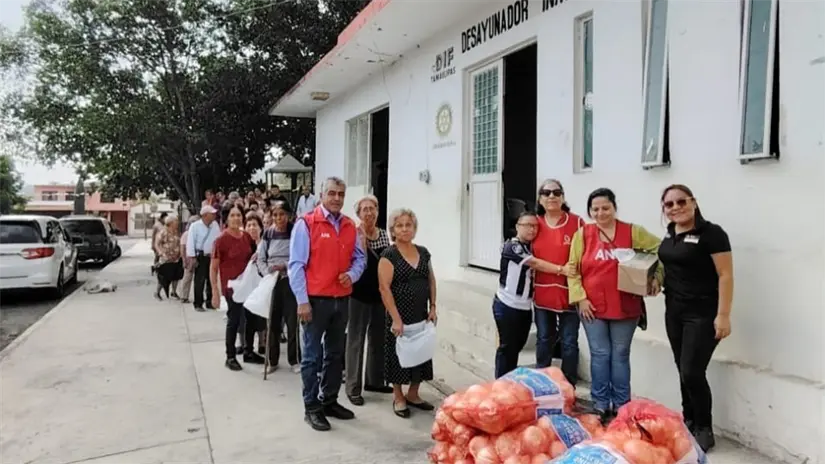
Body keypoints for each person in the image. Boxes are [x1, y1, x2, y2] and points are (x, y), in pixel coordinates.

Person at [567, 188, 663, 424]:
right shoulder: (583, 234)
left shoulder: (633, 232)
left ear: (614, 207)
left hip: (625, 306)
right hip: (592, 307)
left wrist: (656, 277)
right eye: (595, 209)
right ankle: (600, 404)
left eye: (605, 208)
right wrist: (580, 298)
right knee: (600, 354)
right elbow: (573, 269)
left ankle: (621, 405)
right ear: (590, 211)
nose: (601, 213)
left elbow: (662, 251)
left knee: (620, 355)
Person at [657, 184, 733, 452]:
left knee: (692, 371)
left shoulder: (712, 234)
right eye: (669, 204)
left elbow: (725, 275)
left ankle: (703, 426)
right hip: (674, 312)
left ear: (693, 202)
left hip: (702, 314)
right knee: (682, 369)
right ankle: (688, 419)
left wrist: (723, 315)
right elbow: (671, 269)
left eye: (681, 201)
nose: (676, 207)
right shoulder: (670, 234)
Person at [288, 176, 366, 432]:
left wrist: (352, 275)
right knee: (311, 358)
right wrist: (302, 301)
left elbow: (360, 259)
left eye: (341, 194)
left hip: (341, 300)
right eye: (331, 193)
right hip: (314, 302)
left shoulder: (349, 226)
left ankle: (329, 400)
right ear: (321, 195)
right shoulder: (307, 223)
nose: (336, 198)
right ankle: (311, 407)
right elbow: (296, 266)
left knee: (334, 355)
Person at [492, 211, 576, 379]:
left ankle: (510, 384)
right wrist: (562, 269)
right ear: (517, 227)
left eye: (535, 226)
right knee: (507, 347)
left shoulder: (530, 246)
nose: (532, 229)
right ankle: (501, 385)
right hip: (507, 305)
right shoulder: (513, 246)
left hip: (524, 307)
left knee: (517, 346)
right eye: (527, 225)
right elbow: (535, 263)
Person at [378, 208, 437, 418]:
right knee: (399, 356)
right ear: (393, 230)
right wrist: (395, 318)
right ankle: (398, 396)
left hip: (421, 314)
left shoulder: (423, 252)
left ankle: (413, 393)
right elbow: (384, 288)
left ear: (414, 228)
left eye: (408, 225)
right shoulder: (389, 255)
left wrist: (433, 307)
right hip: (399, 316)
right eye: (399, 225)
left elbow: (430, 279)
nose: (404, 229)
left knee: (421, 353)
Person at [532, 179, 583, 385]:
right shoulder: (534, 224)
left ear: (563, 197)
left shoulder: (577, 223)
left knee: (569, 342)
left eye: (556, 192)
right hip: (543, 293)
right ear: (540, 199)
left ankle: (568, 384)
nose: (551, 196)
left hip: (570, 292)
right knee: (544, 339)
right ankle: (542, 383)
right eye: (546, 193)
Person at [345, 195, 393, 406]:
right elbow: (353, 263)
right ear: (358, 214)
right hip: (358, 293)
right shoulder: (353, 234)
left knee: (378, 337)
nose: (369, 213)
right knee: (355, 339)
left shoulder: (383, 235)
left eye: (372, 208)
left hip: (379, 293)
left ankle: (374, 380)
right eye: (364, 209)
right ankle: (353, 387)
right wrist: (362, 245)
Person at [211, 205, 264, 371]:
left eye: (238, 215)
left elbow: (254, 257)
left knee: (250, 318)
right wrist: (215, 291)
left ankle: (249, 351)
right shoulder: (221, 241)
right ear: (226, 219)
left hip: (248, 284)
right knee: (234, 320)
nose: (236, 218)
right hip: (232, 287)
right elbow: (213, 268)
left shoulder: (246, 237)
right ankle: (230, 356)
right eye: (232, 215)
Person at [258, 202, 299, 373]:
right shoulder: (267, 234)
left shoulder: (295, 232)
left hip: (290, 281)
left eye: (282, 214)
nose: (278, 218)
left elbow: (300, 256)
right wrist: (267, 271)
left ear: (288, 215)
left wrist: (286, 267)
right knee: (272, 322)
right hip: (272, 281)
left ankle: (294, 360)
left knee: (292, 322)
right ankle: (272, 360)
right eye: (275, 215)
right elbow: (261, 258)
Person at [186, 205, 221, 311]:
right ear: (205, 215)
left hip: (212, 256)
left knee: (211, 280)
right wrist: (192, 257)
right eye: (212, 213)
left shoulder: (215, 225)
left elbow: (218, 239)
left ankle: (209, 302)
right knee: (199, 281)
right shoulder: (195, 226)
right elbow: (190, 242)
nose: (214, 215)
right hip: (200, 256)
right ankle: (198, 303)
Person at [153, 216, 182, 300]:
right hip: (166, 258)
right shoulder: (163, 232)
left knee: (176, 275)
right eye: (175, 222)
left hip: (176, 258)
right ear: (170, 223)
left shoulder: (176, 232)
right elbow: (157, 244)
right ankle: (157, 292)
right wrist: (161, 253)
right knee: (164, 276)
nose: (177, 223)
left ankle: (173, 292)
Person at [177, 215, 200, 303]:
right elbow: (182, 248)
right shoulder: (186, 234)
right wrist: (184, 260)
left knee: (197, 278)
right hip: (189, 258)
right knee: (187, 278)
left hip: (197, 257)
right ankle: (184, 296)